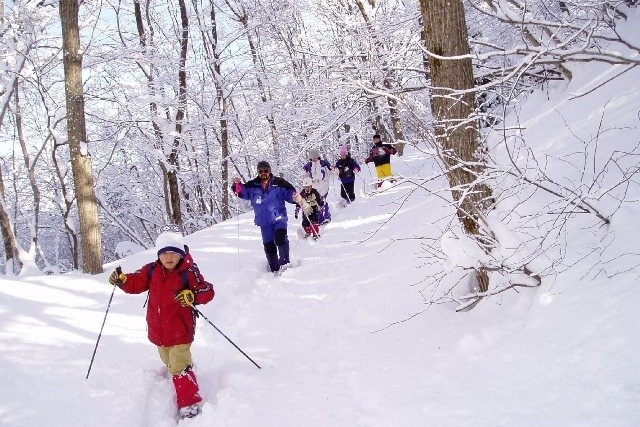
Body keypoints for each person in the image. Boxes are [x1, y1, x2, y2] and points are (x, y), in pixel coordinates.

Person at [108, 225, 215, 420]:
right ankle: (184, 368)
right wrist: (123, 280)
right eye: (164, 253)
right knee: (168, 359)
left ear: (180, 254)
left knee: (178, 367)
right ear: (158, 255)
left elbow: (207, 290)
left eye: (173, 252)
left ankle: (189, 404)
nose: (169, 257)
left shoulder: (188, 271)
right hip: (158, 330)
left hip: (180, 329)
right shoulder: (152, 270)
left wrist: (193, 294)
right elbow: (137, 282)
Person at [231, 160, 310, 273]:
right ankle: (274, 269)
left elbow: (290, 193)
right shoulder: (253, 185)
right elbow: (241, 192)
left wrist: (299, 199)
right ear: (258, 172)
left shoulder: (279, 183)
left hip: (279, 218)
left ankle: (284, 263)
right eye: (260, 171)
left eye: (266, 171)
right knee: (268, 245)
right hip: (264, 221)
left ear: (270, 171)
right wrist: (236, 185)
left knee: (280, 238)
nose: (263, 173)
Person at [302, 148, 332, 224]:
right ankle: (320, 217)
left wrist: (334, 170)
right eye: (312, 157)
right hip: (314, 185)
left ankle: (327, 215)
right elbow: (305, 173)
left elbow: (330, 168)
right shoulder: (309, 165)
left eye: (315, 157)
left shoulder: (323, 162)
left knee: (323, 200)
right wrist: (304, 176)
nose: (314, 159)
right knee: (317, 201)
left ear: (318, 156)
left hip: (323, 183)